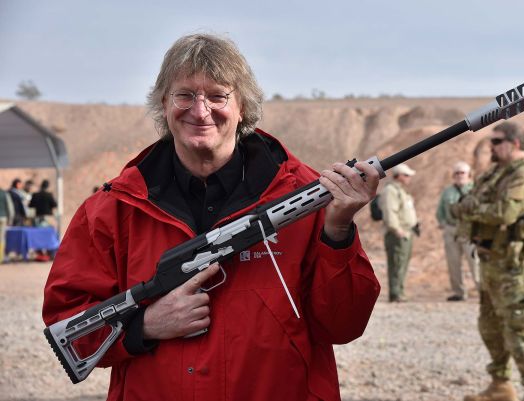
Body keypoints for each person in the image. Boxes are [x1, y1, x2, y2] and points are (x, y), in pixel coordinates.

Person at [42, 33, 381, 401]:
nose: (200, 111)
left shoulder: (306, 198)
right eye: (185, 95)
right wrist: (144, 325)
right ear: (164, 103)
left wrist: (338, 230)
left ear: (242, 107)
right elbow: (68, 324)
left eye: (218, 96)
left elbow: (343, 325)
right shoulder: (112, 209)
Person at [453, 122, 524, 401]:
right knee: (490, 325)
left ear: (514, 143)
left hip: (516, 265)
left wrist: (470, 209)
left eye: (496, 142)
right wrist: (469, 207)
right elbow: (474, 200)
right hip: (491, 260)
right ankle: (500, 385)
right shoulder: (496, 173)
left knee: (520, 327)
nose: (491, 147)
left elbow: (505, 212)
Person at [436, 161, 480, 301]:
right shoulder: (447, 191)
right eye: (457, 173)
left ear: (469, 175)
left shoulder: (476, 189)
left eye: (462, 173)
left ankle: (482, 291)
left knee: (475, 261)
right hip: (451, 229)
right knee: (453, 263)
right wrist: (444, 224)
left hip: (469, 230)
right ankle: (459, 292)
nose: (459, 175)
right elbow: (440, 211)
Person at [379, 163, 418, 302]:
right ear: (399, 176)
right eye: (406, 175)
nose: (409, 178)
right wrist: (396, 229)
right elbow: (390, 212)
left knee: (403, 263)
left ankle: (400, 291)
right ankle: (395, 294)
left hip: (407, 232)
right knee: (397, 263)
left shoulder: (401, 190)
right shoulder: (390, 190)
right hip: (397, 233)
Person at [0, 188, 15, 262]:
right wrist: (10, 220)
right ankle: (1, 257)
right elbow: (10, 208)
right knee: (1, 238)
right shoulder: (5, 194)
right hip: (3, 218)